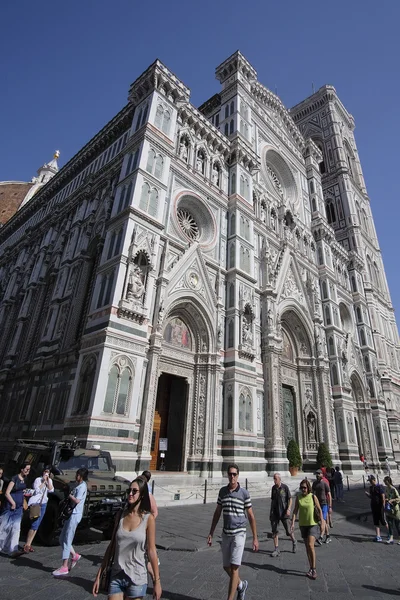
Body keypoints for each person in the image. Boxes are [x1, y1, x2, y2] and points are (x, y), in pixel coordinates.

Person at [93, 477, 161, 600]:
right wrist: (99, 574)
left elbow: (152, 551)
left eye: (134, 491)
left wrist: (157, 581)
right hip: (116, 575)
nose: (130, 494)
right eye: (129, 490)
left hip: (137, 577)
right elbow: (112, 546)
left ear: (142, 495)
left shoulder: (148, 519)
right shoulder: (120, 515)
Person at [207, 463, 258, 600]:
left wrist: (255, 538)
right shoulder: (222, 492)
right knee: (226, 566)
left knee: (234, 568)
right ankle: (241, 585)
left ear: (238, 475)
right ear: (227, 475)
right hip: (226, 533)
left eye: (234, 474)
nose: (232, 476)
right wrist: (211, 532)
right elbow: (217, 512)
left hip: (239, 533)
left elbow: (251, 516)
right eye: (230, 474)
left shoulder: (244, 493)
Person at [52, 467, 88, 576]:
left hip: (75, 515)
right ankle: (74, 555)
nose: (76, 477)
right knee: (62, 538)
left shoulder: (82, 487)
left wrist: (69, 495)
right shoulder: (78, 485)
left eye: (78, 475)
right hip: (71, 514)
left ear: (82, 476)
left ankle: (64, 566)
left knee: (67, 540)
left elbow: (77, 500)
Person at [291, 479, 323, 580]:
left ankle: (314, 569)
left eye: (305, 487)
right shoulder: (298, 497)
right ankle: (310, 567)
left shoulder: (313, 496)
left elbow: (319, 510)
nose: (303, 489)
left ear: (308, 488)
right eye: (301, 488)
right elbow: (295, 510)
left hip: (313, 524)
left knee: (310, 545)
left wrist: (322, 523)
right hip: (303, 525)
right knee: (307, 548)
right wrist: (292, 523)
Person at [0, 462, 31, 557]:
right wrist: (13, 502)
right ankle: (2, 546)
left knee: (16, 528)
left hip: (19, 507)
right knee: (4, 527)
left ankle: (13, 549)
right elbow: (7, 493)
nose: (28, 471)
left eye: (29, 469)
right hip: (10, 507)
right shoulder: (14, 478)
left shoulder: (25, 479)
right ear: (21, 469)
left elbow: (22, 491)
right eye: (26, 469)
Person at [24, 466, 54, 553]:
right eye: (45, 471)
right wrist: (43, 482)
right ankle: (27, 544)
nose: (46, 473)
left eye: (48, 472)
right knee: (34, 524)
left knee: (37, 525)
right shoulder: (38, 480)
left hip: (44, 503)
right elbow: (36, 491)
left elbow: (51, 490)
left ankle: (29, 544)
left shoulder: (50, 480)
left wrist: (48, 481)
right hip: (36, 503)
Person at [269, 472, 297, 556]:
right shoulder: (273, 488)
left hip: (284, 512)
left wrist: (288, 509)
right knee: (274, 530)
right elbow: (272, 501)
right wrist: (271, 512)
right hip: (275, 512)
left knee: (288, 531)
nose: (274, 480)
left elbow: (290, 499)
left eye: (275, 479)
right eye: (273, 478)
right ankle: (276, 549)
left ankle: (294, 541)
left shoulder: (285, 487)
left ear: (279, 479)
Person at [312, 470, 332, 544]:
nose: (317, 475)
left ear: (322, 474)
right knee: (322, 521)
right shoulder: (314, 483)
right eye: (316, 474)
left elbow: (329, 495)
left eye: (318, 474)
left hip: (324, 504)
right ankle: (328, 536)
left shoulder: (324, 483)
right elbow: (312, 493)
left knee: (322, 520)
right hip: (317, 504)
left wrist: (330, 506)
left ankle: (320, 537)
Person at [365, 474, 386, 541]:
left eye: (371, 481)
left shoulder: (380, 487)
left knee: (383, 521)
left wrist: (383, 505)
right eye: (369, 481)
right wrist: (368, 495)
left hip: (380, 506)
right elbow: (371, 497)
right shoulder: (371, 488)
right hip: (373, 506)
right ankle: (378, 536)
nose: (370, 482)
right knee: (376, 521)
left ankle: (390, 533)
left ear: (374, 480)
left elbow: (383, 497)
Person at [383, 476, 400, 544]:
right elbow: (386, 496)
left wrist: (392, 500)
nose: (384, 481)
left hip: (395, 509)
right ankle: (391, 538)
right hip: (389, 509)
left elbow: (398, 498)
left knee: (397, 525)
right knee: (390, 524)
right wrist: (386, 499)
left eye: (385, 480)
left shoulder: (393, 489)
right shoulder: (386, 488)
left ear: (388, 481)